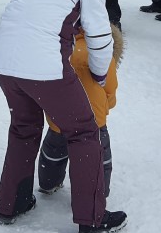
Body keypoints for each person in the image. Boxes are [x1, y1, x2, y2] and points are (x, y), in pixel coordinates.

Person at [0, 0, 127, 233]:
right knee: (83, 130)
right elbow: (99, 36)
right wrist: (99, 74)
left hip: (5, 60)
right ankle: (92, 218)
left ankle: (12, 201)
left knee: (23, 128)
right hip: (45, 64)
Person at [37, 24, 123, 201]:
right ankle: (98, 192)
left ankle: (49, 183)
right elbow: (110, 86)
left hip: (60, 115)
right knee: (98, 158)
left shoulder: (59, 47)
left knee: (53, 153)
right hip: (94, 119)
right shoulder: (101, 49)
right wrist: (107, 104)